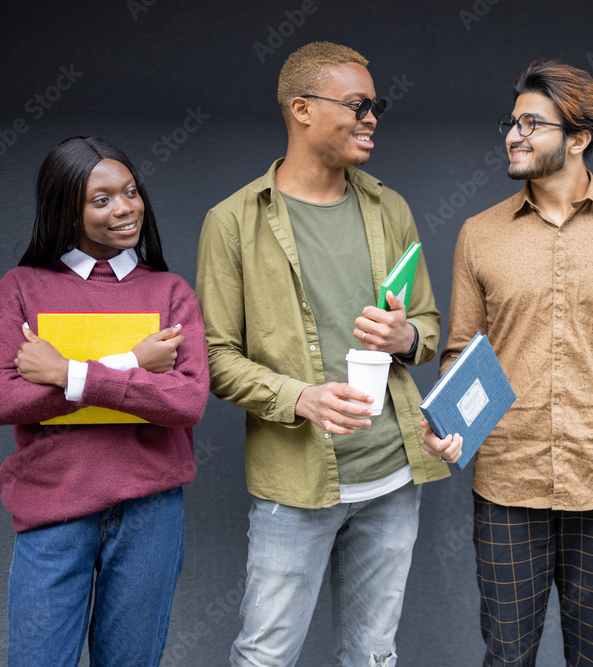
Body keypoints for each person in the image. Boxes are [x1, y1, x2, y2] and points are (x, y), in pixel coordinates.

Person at [422, 60, 593, 666]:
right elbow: (460, 353)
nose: (513, 134)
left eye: (532, 123)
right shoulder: (479, 233)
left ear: (578, 139)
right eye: (511, 121)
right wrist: (449, 426)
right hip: (506, 488)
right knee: (506, 658)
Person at [195, 41, 449, 667]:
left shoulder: (390, 209)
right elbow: (213, 357)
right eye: (358, 105)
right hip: (296, 483)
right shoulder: (232, 222)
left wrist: (406, 338)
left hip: (394, 476)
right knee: (265, 655)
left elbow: (427, 327)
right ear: (301, 109)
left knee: (372, 656)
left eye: (376, 105)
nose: (372, 118)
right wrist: (301, 398)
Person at [0, 136, 208, 666]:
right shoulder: (22, 289)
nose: (124, 208)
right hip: (53, 504)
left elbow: (187, 401)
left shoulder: (170, 292)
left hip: (150, 510)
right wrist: (132, 366)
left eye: (130, 191)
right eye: (100, 199)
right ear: (65, 209)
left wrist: (65, 373)